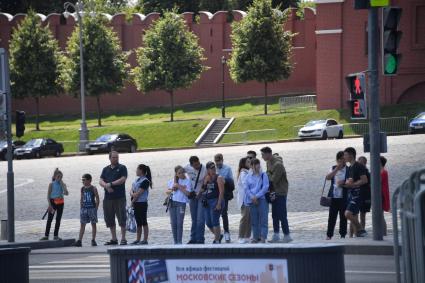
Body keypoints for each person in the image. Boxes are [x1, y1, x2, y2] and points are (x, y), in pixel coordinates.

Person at [261, 147, 292, 243]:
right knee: (274, 214)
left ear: (268, 154)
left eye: (263, 155)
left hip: (281, 192)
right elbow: (268, 175)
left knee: (282, 214)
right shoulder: (268, 162)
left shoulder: (278, 165)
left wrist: (266, 176)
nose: (262, 157)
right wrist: (267, 176)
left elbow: (273, 179)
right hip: (273, 191)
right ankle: (276, 235)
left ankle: (287, 235)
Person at [99, 151, 128, 245]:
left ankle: (123, 239)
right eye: (114, 157)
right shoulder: (105, 169)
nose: (116, 159)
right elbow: (101, 180)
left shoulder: (122, 168)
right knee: (109, 218)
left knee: (122, 217)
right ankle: (114, 239)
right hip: (108, 198)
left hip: (119, 197)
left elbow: (123, 179)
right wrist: (106, 186)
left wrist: (111, 184)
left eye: (117, 157)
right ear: (110, 158)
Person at [342, 147, 368, 237]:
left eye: (345, 155)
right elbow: (350, 181)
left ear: (351, 155)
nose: (344, 157)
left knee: (348, 214)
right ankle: (358, 233)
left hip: (359, 194)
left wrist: (353, 184)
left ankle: (361, 229)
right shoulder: (349, 168)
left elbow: (364, 180)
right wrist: (344, 184)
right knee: (353, 215)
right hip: (352, 194)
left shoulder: (359, 166)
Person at [244, 158, 269, 243]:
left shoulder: (263, 175)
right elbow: (246, 188)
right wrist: (252, 197)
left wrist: (256, 196)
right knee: (254, 220)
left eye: (258, 166)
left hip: (261, 199)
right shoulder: (248, 176)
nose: (257, 168)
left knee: (263, 219)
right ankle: (255, 236)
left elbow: (265, 187)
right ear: (251, 166)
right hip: (252, 200)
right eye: (255, 166)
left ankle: (263, 236)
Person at [40, 168, 69, 241]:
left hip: (60, 203)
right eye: (58, 177)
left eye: (61, 177)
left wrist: (63, 186)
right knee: (50, 219)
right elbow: (48, 196)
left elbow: (66, 193)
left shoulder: (63, 184)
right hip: (53, 203)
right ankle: (46, 235)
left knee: (58, 219)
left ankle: (56, 235)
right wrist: (49, 205)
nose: (59, 178)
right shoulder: (51, 184)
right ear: (55, 177)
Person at [325, 151, 348, 240]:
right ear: (337, 160)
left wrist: (344, 182)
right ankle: (329, 235)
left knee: (343, 217)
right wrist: (336, 169)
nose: (343, 161)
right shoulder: (333, 168)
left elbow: (351, 180)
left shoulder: (348, 169)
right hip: (334, 196)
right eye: (341, 159)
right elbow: (327, 177)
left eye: (344, 159)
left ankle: (343, 234)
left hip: (344, 196)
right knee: (332, 217)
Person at [201, 161, 225, 244]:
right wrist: (205, 181)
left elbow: (221, 192)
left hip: (216, 200)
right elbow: (203, 189)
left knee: (215, 221)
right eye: (211, 168)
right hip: (207, 202)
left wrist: (219, 204)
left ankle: (217, 240)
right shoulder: (206, 177)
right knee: (208, 222)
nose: (213, 169)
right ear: (207, 169)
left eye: (214, 167)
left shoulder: (219, 178)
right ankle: (218, 235)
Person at [185, 156, 207, 244]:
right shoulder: (187, 167)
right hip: (193, 195)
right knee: (194, 219)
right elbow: (177, 171)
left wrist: (200, 193)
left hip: (201, 195)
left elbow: (205, 183)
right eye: (195, 165)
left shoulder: (204, 169)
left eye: (198, 164)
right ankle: (193, 238)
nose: (197, 166)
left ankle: (200, 239)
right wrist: (176, 182)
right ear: (191, 165)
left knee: (200, 219)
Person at [166, 166, 191, 245]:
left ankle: (179, 241)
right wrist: (172, 188)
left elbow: (188, 193)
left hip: (181, 203)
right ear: (176, 174)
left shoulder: (187, 181)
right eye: (179, 173)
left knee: (180, 222)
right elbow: (167, 191)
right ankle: (175, 241)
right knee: (173, 223)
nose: (181, 174)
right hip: (172, 203)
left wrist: (179, 186)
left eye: (182, 172)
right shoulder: (172, 181)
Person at [74, 174, 100, 247]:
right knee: (82, 224)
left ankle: (93, 240)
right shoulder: (82, 188)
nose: (83, 181)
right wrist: (81, 208)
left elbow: (97, 198)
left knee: (93, 224)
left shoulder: (93, 188)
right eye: (82, 180)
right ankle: (79, 240)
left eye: (84, 180)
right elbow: (81, 198)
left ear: (89, 180)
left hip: (92, 208)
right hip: (84, 209)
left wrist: (96, 208)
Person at [214, 153, 234, 243]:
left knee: (224, 214)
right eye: (216, 161)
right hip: (215, 195)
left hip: (224, 194)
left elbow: (231, 183)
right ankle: (217, 234)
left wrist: (225, 181)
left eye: (219, 161)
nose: (218, 163)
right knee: (215, 214)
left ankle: (226, 232)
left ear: (222, 160)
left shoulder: (228, 169)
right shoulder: (213, 169)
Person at [130, 164, 152, 245]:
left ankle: (145, 239)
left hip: (142, 203)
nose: (136, 171)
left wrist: (132, 200)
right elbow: (131, 190)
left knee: (144, 221)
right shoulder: (137, 180)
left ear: (141, 170)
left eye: (137, 169)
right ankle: (138, 239)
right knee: (138, 222)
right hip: (136, 204)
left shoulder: (145, 181)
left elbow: (138, 193)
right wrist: (132, 194)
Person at [237, 157, 251, 244]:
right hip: (244, 199)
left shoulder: (248, 172)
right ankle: (240, 236)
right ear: (244, 163)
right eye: (248, 162)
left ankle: (247, 236)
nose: (250, 163)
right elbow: (246, 184)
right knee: (244, 218)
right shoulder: (243, 173)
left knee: (249, 218)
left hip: (248, 199)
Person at [357, 156, 371, 232]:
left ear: (365, 163)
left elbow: (370, 185)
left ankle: (362, 229)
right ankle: (357, 231)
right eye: (359, 162)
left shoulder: (367, 173)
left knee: (362, 215)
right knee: (355, 214)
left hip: (365, 196)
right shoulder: (357, 171)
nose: (359, 164)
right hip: (358, 195)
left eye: (361, 162)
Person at [380, 156, 390, 236]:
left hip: (381, 195)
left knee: (381, 215)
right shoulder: (382, 171)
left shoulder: (383, 172)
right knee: (381, 215)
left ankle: (384, 233)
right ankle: (383, 233)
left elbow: (378, 181)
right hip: (381, 194)